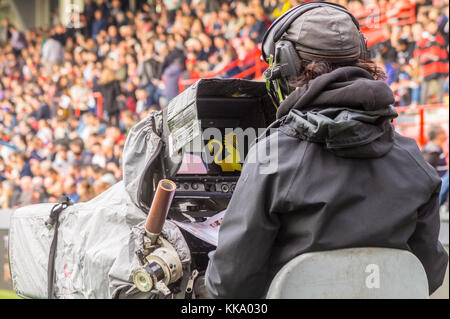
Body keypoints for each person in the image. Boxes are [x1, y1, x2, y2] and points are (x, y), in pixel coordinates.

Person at [205, 3, 448, 299]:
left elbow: (228, 284)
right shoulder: (413, 159)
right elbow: (429, 275)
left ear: (288, 65)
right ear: (362, 56)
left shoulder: (272, 156)